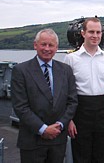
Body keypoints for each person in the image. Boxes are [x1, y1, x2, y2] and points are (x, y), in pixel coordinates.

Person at [11, 28, 78, 163]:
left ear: (56, 47)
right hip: (32, 140)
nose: (47, 48)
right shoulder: (21, 71)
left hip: (58, 139)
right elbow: (20, 106)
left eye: (51, 45)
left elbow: (72, 102)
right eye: (43, 44)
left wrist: (60, 125)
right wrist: (43, 129)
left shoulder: (65, 70)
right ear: (35, 45)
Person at [64, 17, 104, 163]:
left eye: (98, 32)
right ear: (83, 33)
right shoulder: (71, 59)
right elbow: (66, 92)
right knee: (81, 155)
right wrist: (69, 119)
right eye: (91, 32)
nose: (95, 36)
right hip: (80, 111)